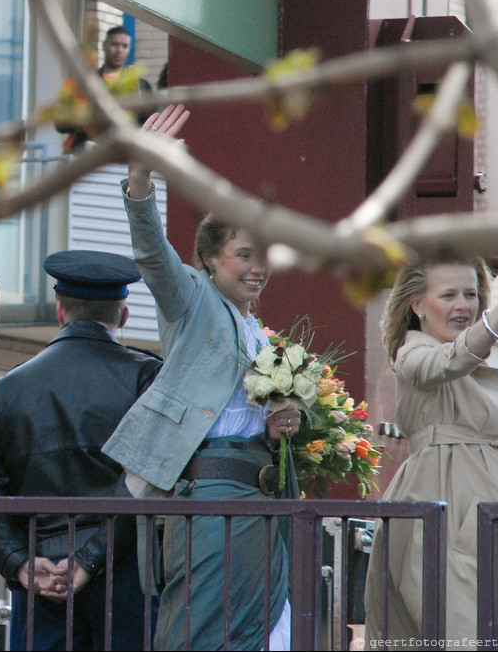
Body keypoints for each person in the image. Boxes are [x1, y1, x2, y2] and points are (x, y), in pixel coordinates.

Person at [101, 103, 302, 650]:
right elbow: (151, 253)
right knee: (203, 629)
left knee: (262, 625)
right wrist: (141, 179)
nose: (256, 267)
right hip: (209, 492)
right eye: (242, 254)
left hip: (263, 496)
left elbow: (252, 411)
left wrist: (283, 419)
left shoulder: (259, 332)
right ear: (210, 260)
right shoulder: (192, 300)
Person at [0, 250, 162, 651]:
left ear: (59, 311)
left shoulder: (7, 389)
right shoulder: (146, 377)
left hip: (37, 581)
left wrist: (20, 563)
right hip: (126, 579)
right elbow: (149, 481)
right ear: (122, 317)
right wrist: (87, 561)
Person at [364, 257, 498, 647]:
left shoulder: (484, 375)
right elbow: (447, 362)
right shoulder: (413, 352)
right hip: (452, 512)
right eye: (448, 295)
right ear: (417, 304)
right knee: (468, 627)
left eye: (470, 294)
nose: (463, 305)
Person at [59, 25, 154, 153]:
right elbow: (61, 123)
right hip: (86, 152)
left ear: (129, 49)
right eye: (114, 44)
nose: (119, 50)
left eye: (124, 46)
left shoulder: (141, 85)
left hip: (124, 153)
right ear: (104, 45)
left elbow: (148, 121)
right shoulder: (85, 81)